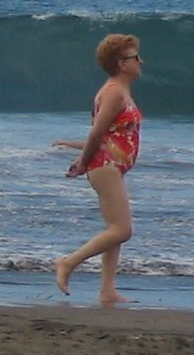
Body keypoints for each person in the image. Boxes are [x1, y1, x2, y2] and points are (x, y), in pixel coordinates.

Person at [53, 34, 142, 305]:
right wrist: (83, 162)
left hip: (111, 165)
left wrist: (74, 147)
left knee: (114, 229)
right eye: (136, 57)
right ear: (122, 63)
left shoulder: (120, 91)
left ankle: (107, 290)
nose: (141, 61)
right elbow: (97, 133)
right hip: (105, 166)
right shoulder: (114, 91)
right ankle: (68, 262)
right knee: (122, 230)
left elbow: (107, 137)